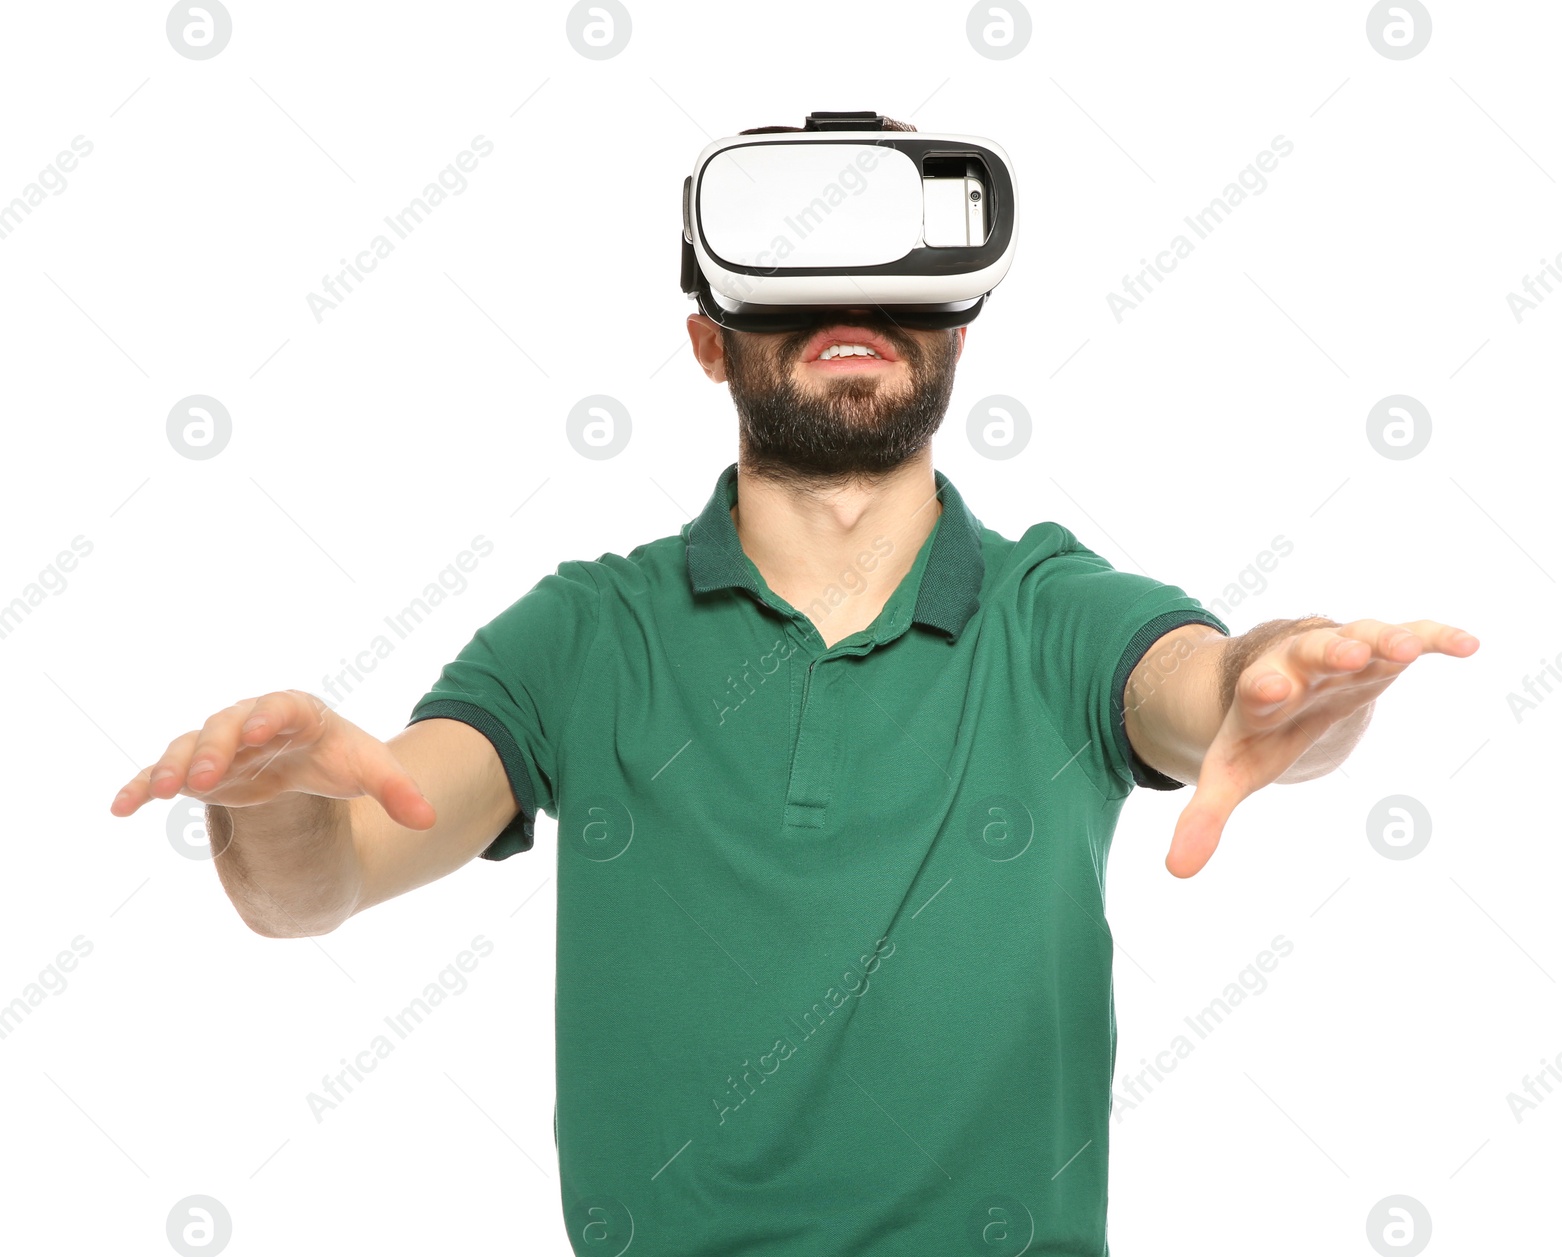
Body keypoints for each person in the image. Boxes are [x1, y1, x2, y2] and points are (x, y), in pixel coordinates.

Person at [109, 117, 1478, 1257]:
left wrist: (1274, 692)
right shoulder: (588, 634)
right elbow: (329, 876)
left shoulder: (1049, 613)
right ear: (709, 339)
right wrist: (278, 805)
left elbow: (1203, 683)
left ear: (956, 331)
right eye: (800, 269)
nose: (854, 307)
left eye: (895, 277)